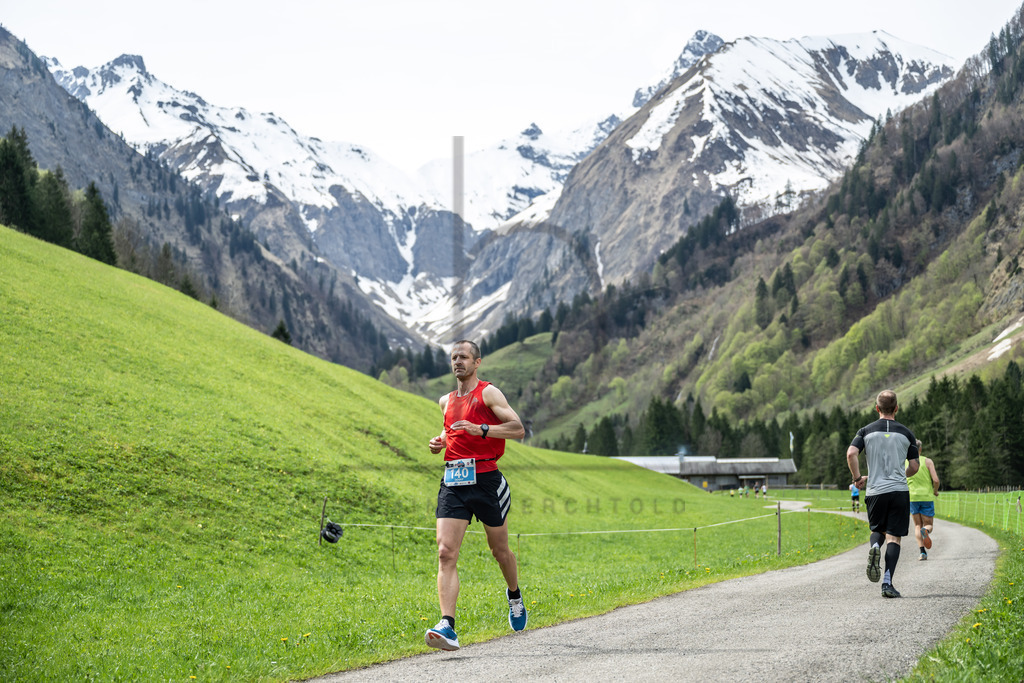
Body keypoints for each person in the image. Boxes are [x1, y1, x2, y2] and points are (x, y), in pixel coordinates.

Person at [424, 340, 527, 651]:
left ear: (477, 362)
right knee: (445, 552)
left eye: (464, 357)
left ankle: (514, 595)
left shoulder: (489, 393)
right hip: (454, 481)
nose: (458, 362)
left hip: (486, 481)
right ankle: (448, 625)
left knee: (500, 551)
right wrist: (440, 441)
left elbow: (517, 429)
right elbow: (451, 429)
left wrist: (481, 429)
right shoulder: (445, 400)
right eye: (454, 357)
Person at [846, 389, 919, 599]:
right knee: (894, 537)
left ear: (877, 408)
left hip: (875, 490)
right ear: (896, 408)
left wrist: (857, 478)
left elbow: (851, 453)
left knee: (878, 529)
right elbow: (914, 465)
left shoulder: (865, 431)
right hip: (898, 490)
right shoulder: (907, 433)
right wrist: (901, 474)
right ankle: (887, 583)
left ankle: (876, 546)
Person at [906, 439, 940, 561]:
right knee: (928, 525)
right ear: (920, 449)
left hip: (912, 498)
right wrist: (935, 491)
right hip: (926, 497)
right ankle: (926, 531)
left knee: (916, 526)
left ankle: (922, 552)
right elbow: (936, 480)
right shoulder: (927, 461)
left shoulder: (905, 463)